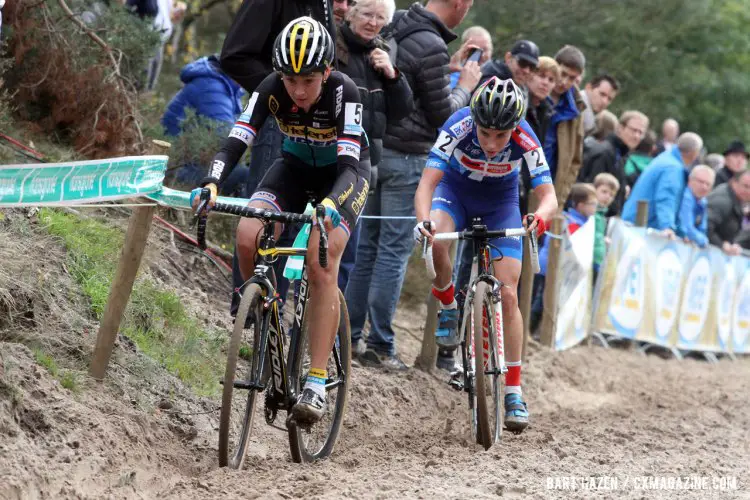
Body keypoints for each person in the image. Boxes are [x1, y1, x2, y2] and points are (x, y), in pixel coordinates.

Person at [193, 18, 369, 424]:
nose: (299, 90)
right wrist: (212, 182)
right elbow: (235, 141)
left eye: (308, 79)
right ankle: (260, 306)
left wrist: (328, 205)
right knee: (247, 232)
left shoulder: (346, 92)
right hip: (291, 170)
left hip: (345, 178)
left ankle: (317, 381)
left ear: (326, 72)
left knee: (320, 260)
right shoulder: (270, 89)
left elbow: (348, 164)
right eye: (290, 80)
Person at [414, 77, 558, 432]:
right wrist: (424, 222)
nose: (492, 145)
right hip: (454, 192)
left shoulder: (525, 134)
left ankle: (513, 390)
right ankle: (448, 303)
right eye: (485, 134)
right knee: (437, 240)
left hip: (501, 203)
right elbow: (427, 184)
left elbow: (549, 195)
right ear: (474, 121)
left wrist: (538, 219)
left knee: (508, 294)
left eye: (501, 136)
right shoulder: (459, 124)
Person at [345, 0, 478, 371]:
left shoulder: (398, 22)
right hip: (408, 159)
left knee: (366, 247)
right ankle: (380, 344)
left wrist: (444, 70)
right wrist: (465, 86)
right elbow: (443, 116)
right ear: (459, 3)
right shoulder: (433, 44)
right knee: (392, 251)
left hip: (373, 150)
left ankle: (350, 334)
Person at [161, 54, 248, 194]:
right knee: (247, 175)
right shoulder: (211, 86)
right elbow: (226, 138)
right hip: (178, 170)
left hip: (190, 164)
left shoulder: (228, 87)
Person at [529, 183, 594, 340]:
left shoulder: (585, 223)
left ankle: (542, 332)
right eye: (592, 204)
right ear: (580, 205)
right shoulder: (568, 222)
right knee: (541, 301)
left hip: (563, 269)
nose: (595, 209)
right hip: (549, 267)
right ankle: (530, 331)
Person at [621, 132, 703, 234]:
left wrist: (681, 232)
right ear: (694, 153)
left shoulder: (667, 158)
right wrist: (667, 226)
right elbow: (666, 197)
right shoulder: (673, 168)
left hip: (635, 220)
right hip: (640, 228)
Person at [578, 110, 650, 216]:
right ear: (620, 128)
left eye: (641, 133)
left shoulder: (621, 155)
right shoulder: (605, 153)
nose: (637, 136)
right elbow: (592, 193)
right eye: (634, 130)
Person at [707, 170, 750, 255]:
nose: (748, 191)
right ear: (734, 182)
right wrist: (721, 244)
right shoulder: (723, 200)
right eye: (746, 186)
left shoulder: (736, 199)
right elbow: (706, 225)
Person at [677, 165, 715, 248]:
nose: (704, 187)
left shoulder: (703, 201)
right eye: (701, 182)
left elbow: (703, 228)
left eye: (708, 184)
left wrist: (702, 239)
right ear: (690, 180)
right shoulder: (686, 197)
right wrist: (702, 240)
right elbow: (686, 228)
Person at [592, 173, 620, 279]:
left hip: (597, 261)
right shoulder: (591, 213)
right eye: (604, 192)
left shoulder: (602, 215)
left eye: (611, 195)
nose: (607, 197)